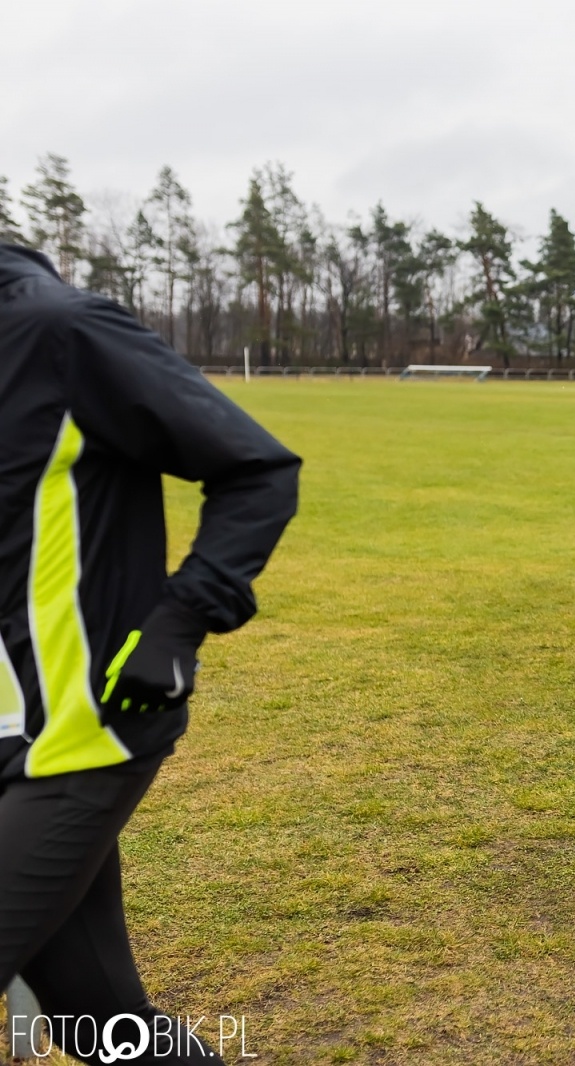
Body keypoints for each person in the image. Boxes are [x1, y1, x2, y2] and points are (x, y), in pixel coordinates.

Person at [0, 244, 300, 1062]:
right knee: (98, 1020)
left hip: (83, 731)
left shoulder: (57, 330)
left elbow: (259, 471)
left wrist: (177, 623)